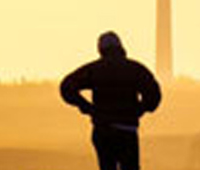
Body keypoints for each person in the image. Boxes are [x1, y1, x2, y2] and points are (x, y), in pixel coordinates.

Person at [61, 31, 163, 170]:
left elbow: (66, 86)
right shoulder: (135, 69)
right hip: (127, 131)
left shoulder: (94, 70)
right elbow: (154, 96)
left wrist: (86, 107)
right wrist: (140, 109)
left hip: (103, 130)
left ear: (100, 49)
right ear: (121, 47)